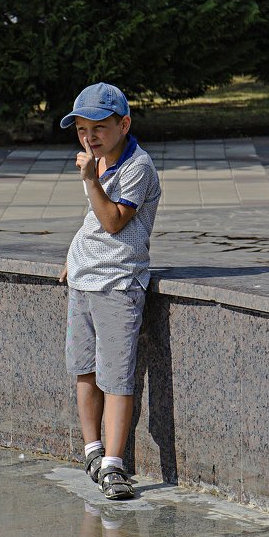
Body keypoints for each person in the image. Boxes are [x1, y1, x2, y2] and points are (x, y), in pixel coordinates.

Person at [57, 82, 161, 500]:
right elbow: (91, 223)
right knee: (84, 370)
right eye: (82, 129)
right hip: (84, 280)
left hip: (118, 283)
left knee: (117, 378)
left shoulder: (138, 166)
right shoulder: (98, 162)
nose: (90, 137)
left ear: (124, 124)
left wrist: (90, 181)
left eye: (99, 127)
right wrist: (74, 257)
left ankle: (115, 464)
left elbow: (114, 221)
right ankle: (92, 450)